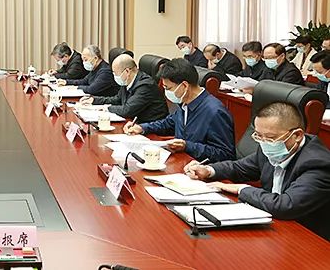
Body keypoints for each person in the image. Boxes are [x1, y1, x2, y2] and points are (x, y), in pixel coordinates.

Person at [184, 102, 330, 241]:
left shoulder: (318, 164)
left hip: (309, 239)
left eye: (270, 138)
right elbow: (239, 167)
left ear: (297, 135)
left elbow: (286, 205)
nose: (264, 143)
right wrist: (208, 170)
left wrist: (241, 189)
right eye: (259, 136)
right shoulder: (270, 147)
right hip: (274, 226)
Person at [124, 58, 235, 163]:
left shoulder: (215, 111)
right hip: (181, 161)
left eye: (168, 88)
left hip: (200, 169)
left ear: (184, 86)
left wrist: (188, 146)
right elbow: (168, 123)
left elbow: (225, 154)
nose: (166, 92)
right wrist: (142, 128)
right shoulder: (184, 103)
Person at [79, 54, 169, 123]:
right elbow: (117, 99)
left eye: (115, 73)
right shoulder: (127, 81)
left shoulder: (145, 85)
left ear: (127, 71)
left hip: (151, 130)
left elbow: (127, 110)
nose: (114, 76)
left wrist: (105, 108)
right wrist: (94, 100)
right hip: (134, 124)